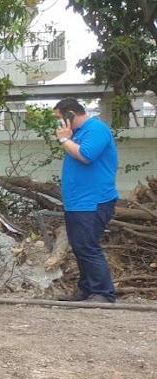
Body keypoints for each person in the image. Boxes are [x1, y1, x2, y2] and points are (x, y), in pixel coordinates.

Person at [54, 97, 119, 303]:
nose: (59, 123)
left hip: (93, 201)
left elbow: (86, 155)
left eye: (60, 118)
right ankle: (86, 289)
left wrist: (65, 140)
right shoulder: (78, 134)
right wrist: (69, 139)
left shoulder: (96, 129)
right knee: (79, 246)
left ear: (70, 114)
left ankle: (104, 293)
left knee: (87, 245)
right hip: (77, 201)